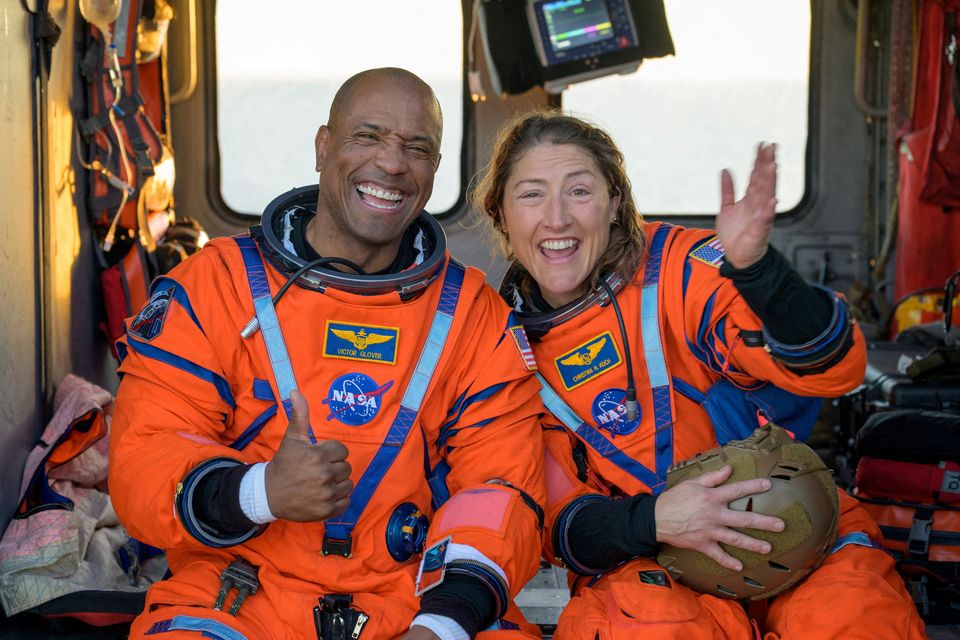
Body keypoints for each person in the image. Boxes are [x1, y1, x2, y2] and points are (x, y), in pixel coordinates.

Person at [108, 68, 547, 640]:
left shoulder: (473, 316)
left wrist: (442, 624)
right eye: (368, 136)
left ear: (435, 171)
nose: (392, 163)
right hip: (239, 593)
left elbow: (500, 490)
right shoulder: (216, 286)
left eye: (417, 148)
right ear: (322, 146)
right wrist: (259, 491)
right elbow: (145, 458)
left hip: (411, 598)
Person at [471, 111, 926, 639]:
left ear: (615, 203)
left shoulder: (680, 270)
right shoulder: (499, 347)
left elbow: (833, 368)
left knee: (853, 617)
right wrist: (656, 521)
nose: (557, 219)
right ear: (500, 213)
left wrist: (760, 274)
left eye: (579, 191)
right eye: (531, 195)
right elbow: (555, 524)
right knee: (647, 626)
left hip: (791, 521)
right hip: (652, 559)